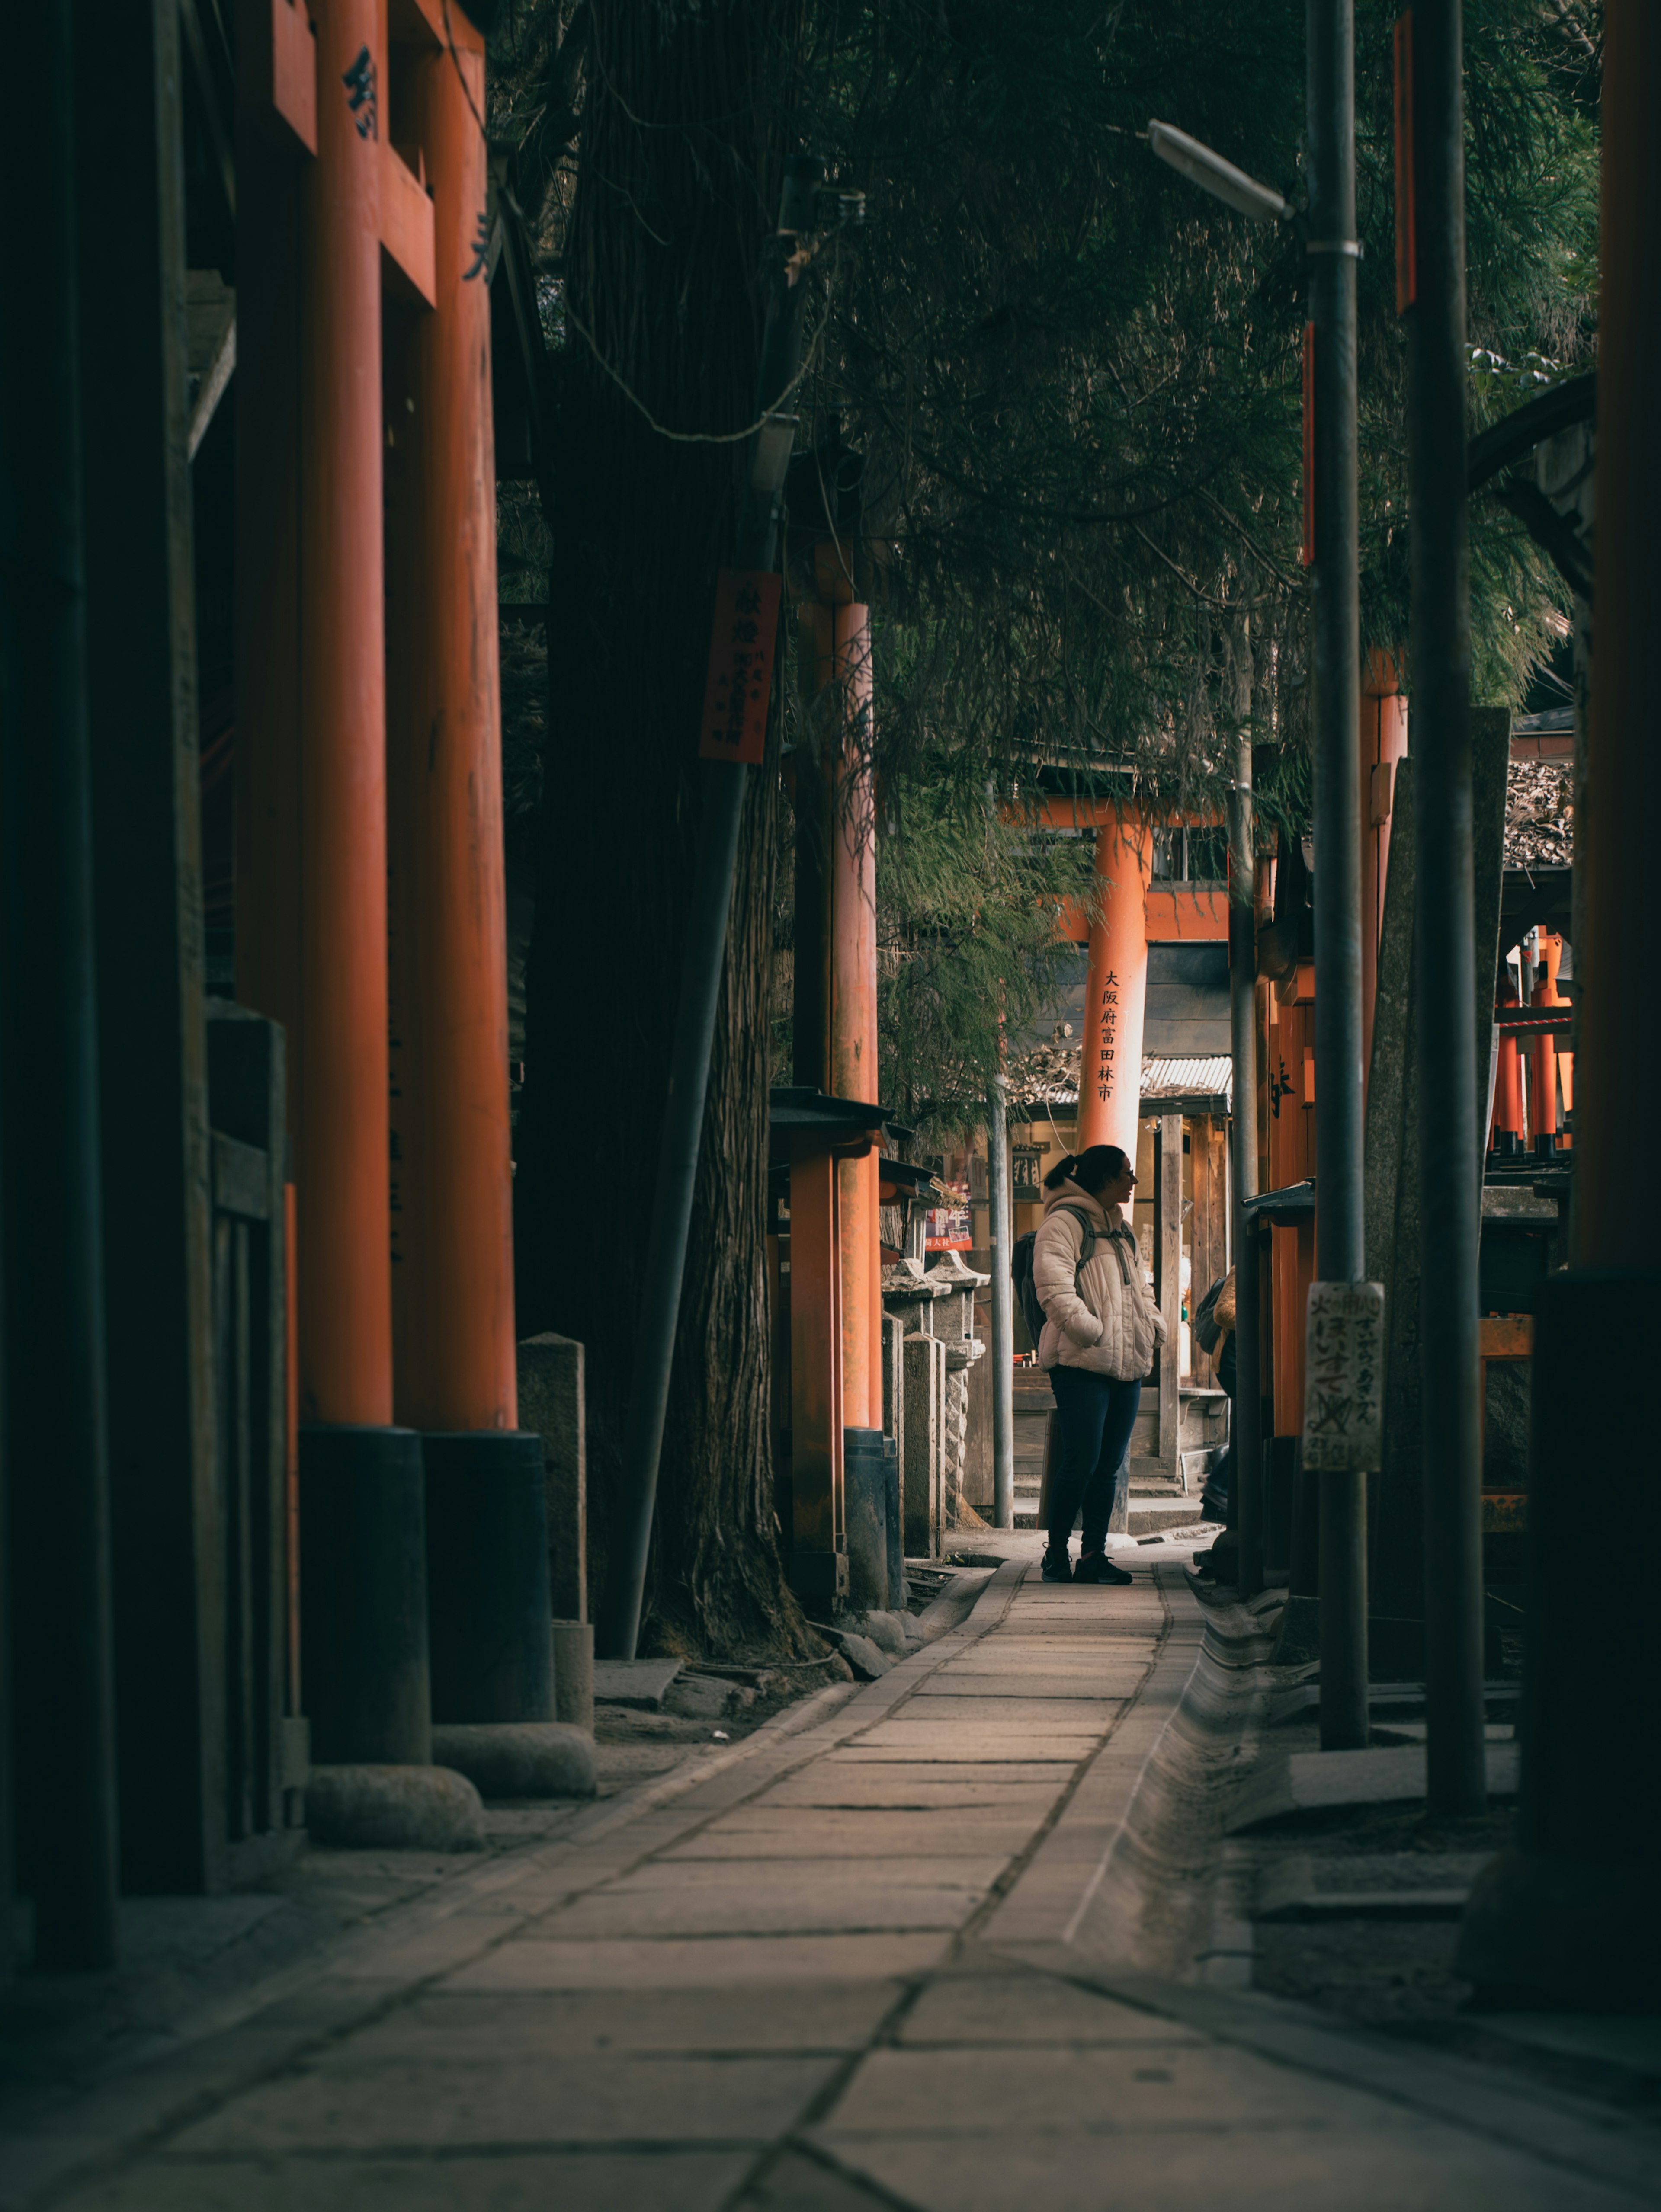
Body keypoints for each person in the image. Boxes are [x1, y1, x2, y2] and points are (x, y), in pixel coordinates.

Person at [1032, 1143, 1165, 1585]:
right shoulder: (1064, 1223)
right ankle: (1055, 1555)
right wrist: (1090, 1331)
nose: (1133, 1181)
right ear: (1108, 1179)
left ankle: (1093, 1556)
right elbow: (1052, 1287)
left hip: (1127, 1365)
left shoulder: (1121, 1231)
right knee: (1081, 1462)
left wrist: (1154, 1326)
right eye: (1128, 1174)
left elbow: (1141, 1289)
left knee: (1108, 1465)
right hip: (1079, 1363)